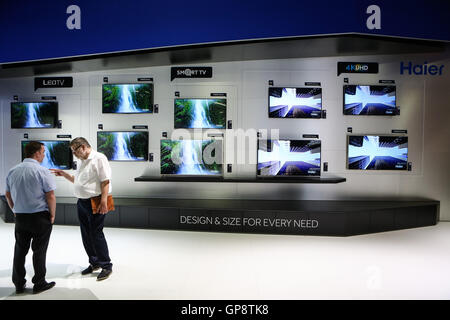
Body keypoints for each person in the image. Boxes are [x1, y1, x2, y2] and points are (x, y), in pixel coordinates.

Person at [51, 137, 113, 281]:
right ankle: (94, 262)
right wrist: (65, 175)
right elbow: (78, 182)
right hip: (82, 202)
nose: (74, 154)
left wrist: (103, 201)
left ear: (83, 147)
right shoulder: (82, 161)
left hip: (95, 201)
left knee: (96, 234)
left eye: (75, 151)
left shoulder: (99, 158)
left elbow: (105, 181)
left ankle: (106, 265)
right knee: (86, 234)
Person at [5, 141, 56, 294]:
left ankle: (19, 284)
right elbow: (51, 196)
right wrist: (52, 214)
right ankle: (39, 283)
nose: (44, 155)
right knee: (39, 251)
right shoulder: (42, 171)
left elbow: (7, 194)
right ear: (37, 153)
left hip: (20, 217)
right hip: (40, 217)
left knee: (20, 251)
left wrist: (14, 209)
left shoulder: (12, 171)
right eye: (43, 152)